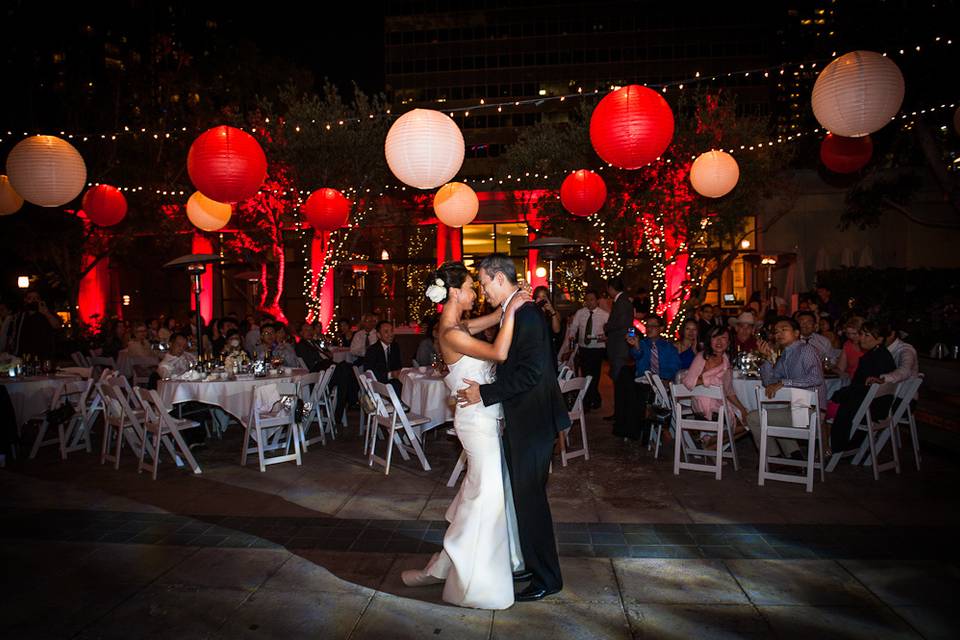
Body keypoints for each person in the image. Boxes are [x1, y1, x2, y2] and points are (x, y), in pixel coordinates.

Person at [400, 260, 529, 609]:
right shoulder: (451, 333)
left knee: (482, 494)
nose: (475, 292)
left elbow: (490, 321)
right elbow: (499, 353)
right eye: (471, 287)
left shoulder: (457, 325)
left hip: (483, 419)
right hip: (475, 426)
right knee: (483, 498)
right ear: (454, 292)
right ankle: (468, 574)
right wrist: (513, 312)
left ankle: (443, 566)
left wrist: (510, 303)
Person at [457, 254, 569, 603]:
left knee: (531, 501)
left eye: (485, 282)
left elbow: (532, 373)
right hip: (524, 420)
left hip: (534, 423)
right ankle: (535, 567)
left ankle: (547, 578)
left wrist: (484, 394)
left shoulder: (528, 314)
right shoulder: (515, 311)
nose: (483, 289)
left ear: (499, 279)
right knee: (525, 499)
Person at [746, 316, 826, 459]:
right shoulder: (785, 355)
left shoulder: (806, 349)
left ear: (796, 333)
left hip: (810, 412)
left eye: (784, 329)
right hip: (798, 408)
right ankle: (795, 457)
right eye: (776, 332)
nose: (779, 334)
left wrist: (784, 382)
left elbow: (816, 378)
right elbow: (769, 382)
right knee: (774, 417)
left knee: (753, 418)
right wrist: (766, 359)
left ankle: (773, 458)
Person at [825, 321, 896, 456]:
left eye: (866, 335)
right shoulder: (876, 354)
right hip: (875, 406)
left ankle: (830, 447)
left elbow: (861, 387)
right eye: (862, 334)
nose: (861, 338)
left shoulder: (878, 357)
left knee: (823, 408)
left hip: (870, 409)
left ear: (879, 339)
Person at [682, 326, 750, 445]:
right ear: (710, 341)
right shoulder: (702, 357)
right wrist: (710, 380)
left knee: (749, 419)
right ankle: (712, 442)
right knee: (743, 423)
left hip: (721, 404)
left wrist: (742, 409)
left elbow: (728, 391)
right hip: (702, 408)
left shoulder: (725, 361)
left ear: (728, 343)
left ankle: (711, 443)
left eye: (723, 338)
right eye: (715, 337)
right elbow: (688, 382)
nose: (719, 341)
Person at [623, 314, 681, 443]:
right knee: (636, 389)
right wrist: (635, 346)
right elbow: (637, 354)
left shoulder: (669, 348)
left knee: (651, 393)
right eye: (647, 326)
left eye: (653, 326)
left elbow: (675, 367)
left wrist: (664, 378)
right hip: (643, 384)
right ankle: (648, 424)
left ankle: (655, 421)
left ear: (661, 329)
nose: (649, 329)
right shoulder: (642, 344)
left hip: (662, 383)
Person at [560, 290, 608, 411]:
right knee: (585, 374)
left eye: (592, 299)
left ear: (597, 300)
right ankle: (588, 400)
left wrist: (605, 336)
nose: (589, 302)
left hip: (597, 348)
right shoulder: (580, 313)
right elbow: (574, 327)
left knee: (595, 375)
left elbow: (608, 331)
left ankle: (594, 398)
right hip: (584, 347)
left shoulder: (604, 315)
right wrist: (571, 336)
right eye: (587, 300)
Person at [604, 276, 633, 423]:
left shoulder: (621, 302)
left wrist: (606, 327)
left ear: (611, 288)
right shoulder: (624, 301)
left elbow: (622, 323)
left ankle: (620, 414)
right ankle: (619, 412)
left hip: (619, 347)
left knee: (619, 381)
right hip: (620, 345)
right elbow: (629, 325)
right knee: (618, 380)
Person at [9, 291, 61, 360]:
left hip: (44, 356)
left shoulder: (46, 313)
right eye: (30, 298)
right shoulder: (20, 316)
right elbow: (14, 336)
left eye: (36, 298)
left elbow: (57, 326)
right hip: (24, 356)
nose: (34, 300)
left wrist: (46, 313)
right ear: (25, 300)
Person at [365, 321, 404, 395]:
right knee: (397, 386)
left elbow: (398, 366)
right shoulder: (372, 350)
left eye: (391, 331)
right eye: (386, 332)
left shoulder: (395, 347)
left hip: (393, 382)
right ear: (379, 335)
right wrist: (391, 375)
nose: (391, 334)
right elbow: (369, 374)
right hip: (379, 385)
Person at [532, 286, 562, 357]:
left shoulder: (554, 313)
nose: (541, 299)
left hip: (549, 348)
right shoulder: (532, 313)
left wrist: (552, 311)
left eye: (543, 296)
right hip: (535, 349)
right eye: (538, 296)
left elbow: (557, 330)